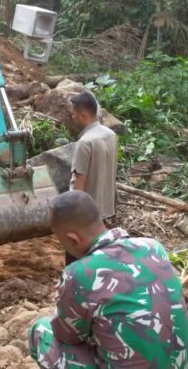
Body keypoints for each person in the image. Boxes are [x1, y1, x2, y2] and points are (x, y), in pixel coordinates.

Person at [28, 191, 188, 369]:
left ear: (72, 239)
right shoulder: (153, 247)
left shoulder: (79, 273)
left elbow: (67, 336)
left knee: (41, 330)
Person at [66, 91, 117, 265]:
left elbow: (80, 181)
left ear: (83, 114)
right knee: (97, 256)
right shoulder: (110, 135)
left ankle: (76, 289)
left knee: (76, 259)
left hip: (85, 213)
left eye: (74, 113)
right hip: (103, 209)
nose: (72, 117)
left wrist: (72, 216)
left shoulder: (85, 142)